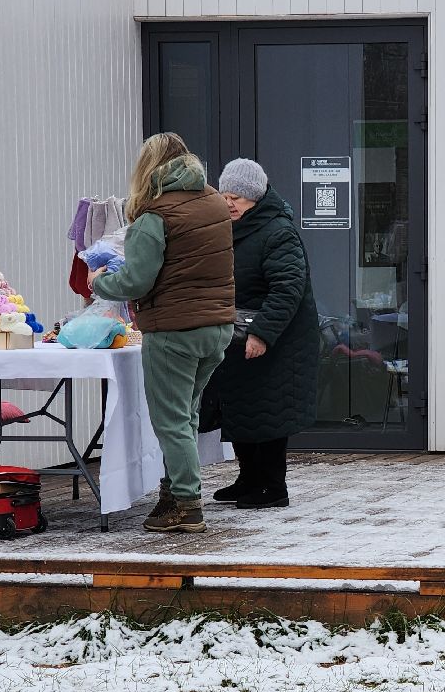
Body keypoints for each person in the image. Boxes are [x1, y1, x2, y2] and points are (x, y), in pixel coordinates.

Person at [91, 132, 235, 533]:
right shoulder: (212, 202)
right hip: (217, 326)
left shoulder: (156, 216)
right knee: (185, 415)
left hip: (175, 330)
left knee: (172, 422)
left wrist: (99, 281)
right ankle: (172, 492)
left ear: (148, 169)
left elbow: (136, 281)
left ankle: (187, 505)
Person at [208, 158, 320, 508]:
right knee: (242, 408)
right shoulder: (234, 228)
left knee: (269, 410)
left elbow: (288, 288)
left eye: (237, 198)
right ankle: (248, 478)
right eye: (225, 196)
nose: (229, 203)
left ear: (255, 198)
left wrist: (263, 334)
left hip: (277, 341)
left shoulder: (277, 231)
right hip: (240, 335)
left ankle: (273, 486)